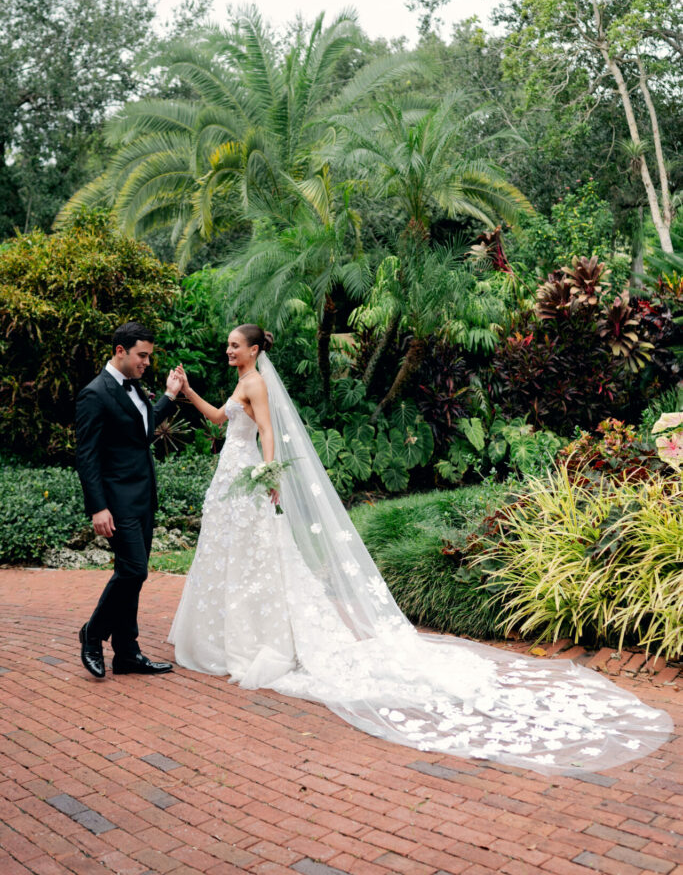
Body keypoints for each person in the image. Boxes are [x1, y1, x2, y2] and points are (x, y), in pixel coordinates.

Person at [169, 324, 672, 774]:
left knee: (260, 560)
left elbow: (267, 434)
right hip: (229, 479)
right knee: (237, 559)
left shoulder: (256, 382)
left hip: (248, 481)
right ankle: (237, 629)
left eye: (236, 345)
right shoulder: (240, 382)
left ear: (254, 350)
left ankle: (259, 636)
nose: (229, 350)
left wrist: (268, 474)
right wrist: (188, 390)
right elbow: (220, 421)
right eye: (230, 346)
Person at [76, 321, 183, 679]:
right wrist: (97, 507)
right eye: (142, 355)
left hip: (142, 497)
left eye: (149, 356)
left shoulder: (136, 388)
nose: (146, 362)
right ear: (120, 351)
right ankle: (92, 635)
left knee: (133, 576)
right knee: (133, 570)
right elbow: (86, 456)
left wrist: (169, 395)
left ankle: (126, 654)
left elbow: (142, 431)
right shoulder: (95, 393)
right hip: (116, 501)